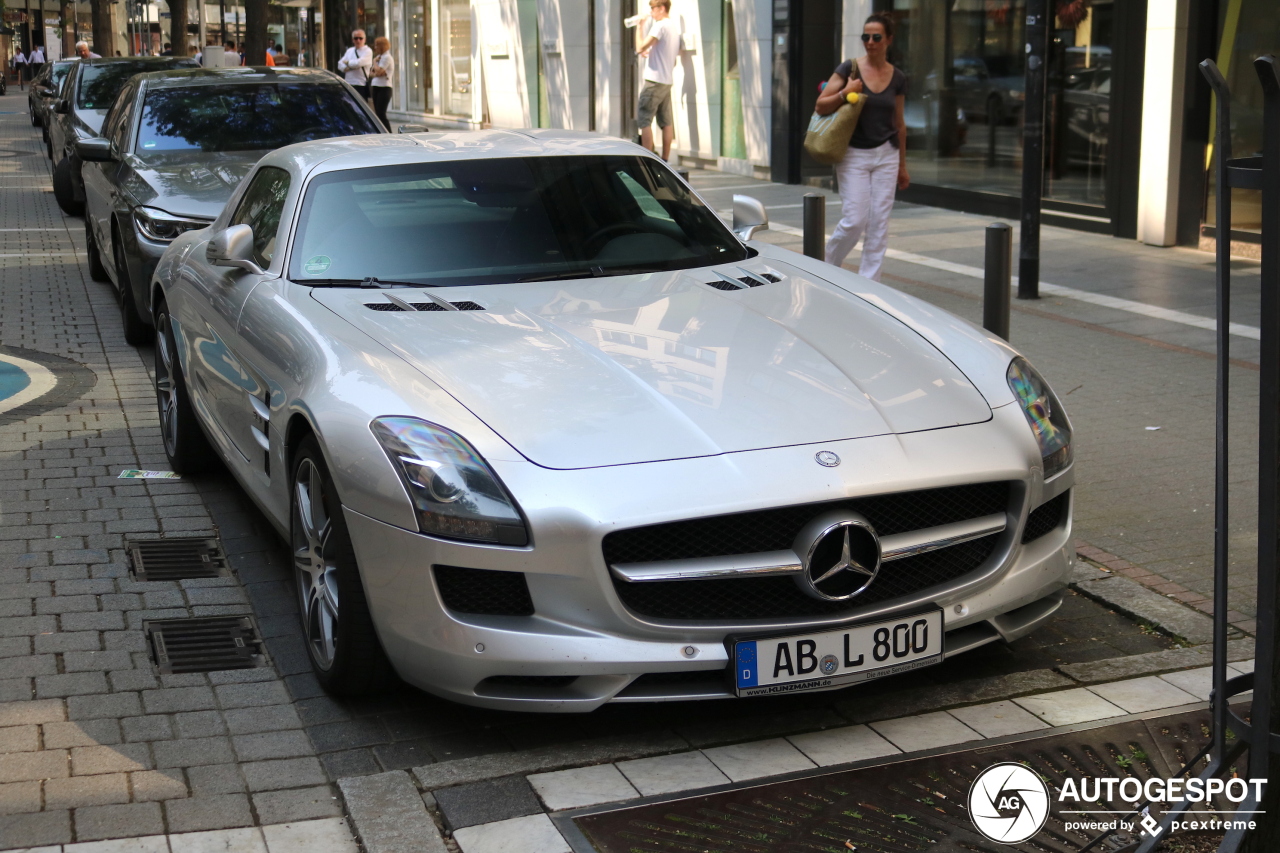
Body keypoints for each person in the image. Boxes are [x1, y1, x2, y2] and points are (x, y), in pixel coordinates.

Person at [814, 12, 908, 282]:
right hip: (854, 154)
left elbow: (899, 124)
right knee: (855, 220)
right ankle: (828, 266)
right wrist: (846, 91)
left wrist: (903, 166)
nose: (870, 42)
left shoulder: (898, 77)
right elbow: (821, 104)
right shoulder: (849, 69)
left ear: (888, 40)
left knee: (879, 224)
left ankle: (871, 284)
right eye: (866, 36)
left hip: (887, 155)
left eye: (876, 37)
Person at [633, 0, 679, 161]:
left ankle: (648, 159)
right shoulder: (673, 27)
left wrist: (639, 27)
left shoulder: (659, 26)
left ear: (662, 8)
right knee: (666, 121)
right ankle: (665, 160)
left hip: (654, 81)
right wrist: (652, 53)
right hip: (666, 80)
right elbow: (669, 57)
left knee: (644, 119)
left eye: (653, 8)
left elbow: (640, 47)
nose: (651, 12)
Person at [338, 30, 372, 101]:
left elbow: (359, 63)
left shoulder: (367, 51)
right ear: (353, 40)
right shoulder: (350, 51)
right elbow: (340, 64)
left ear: (364, 39)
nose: (358, 40)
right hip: (349, 83)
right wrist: (348, 68)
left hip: (361, 84)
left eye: (360, 38)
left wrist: (347, 63)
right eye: (356, 38)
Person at [369, 36, 394, 129]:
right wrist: (376, 72)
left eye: (377, 45)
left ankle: (388, 132)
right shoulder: (379, 57)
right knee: (377, 113)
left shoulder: (386, 57)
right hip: (376, 86)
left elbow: (378, 71)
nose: (375, 48)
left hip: (384, 87)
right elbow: (371, 73)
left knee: (381, 112)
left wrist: (374, 62)